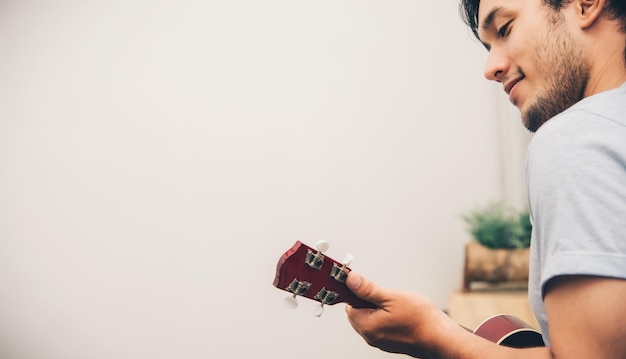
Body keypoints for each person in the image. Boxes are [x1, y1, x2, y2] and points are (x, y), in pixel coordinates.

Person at [344, 0, 626, 358]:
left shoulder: (574, 138)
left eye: (505, 29)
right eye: (488, 46)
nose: (491, 67)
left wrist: (433, 335)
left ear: (586, 5)